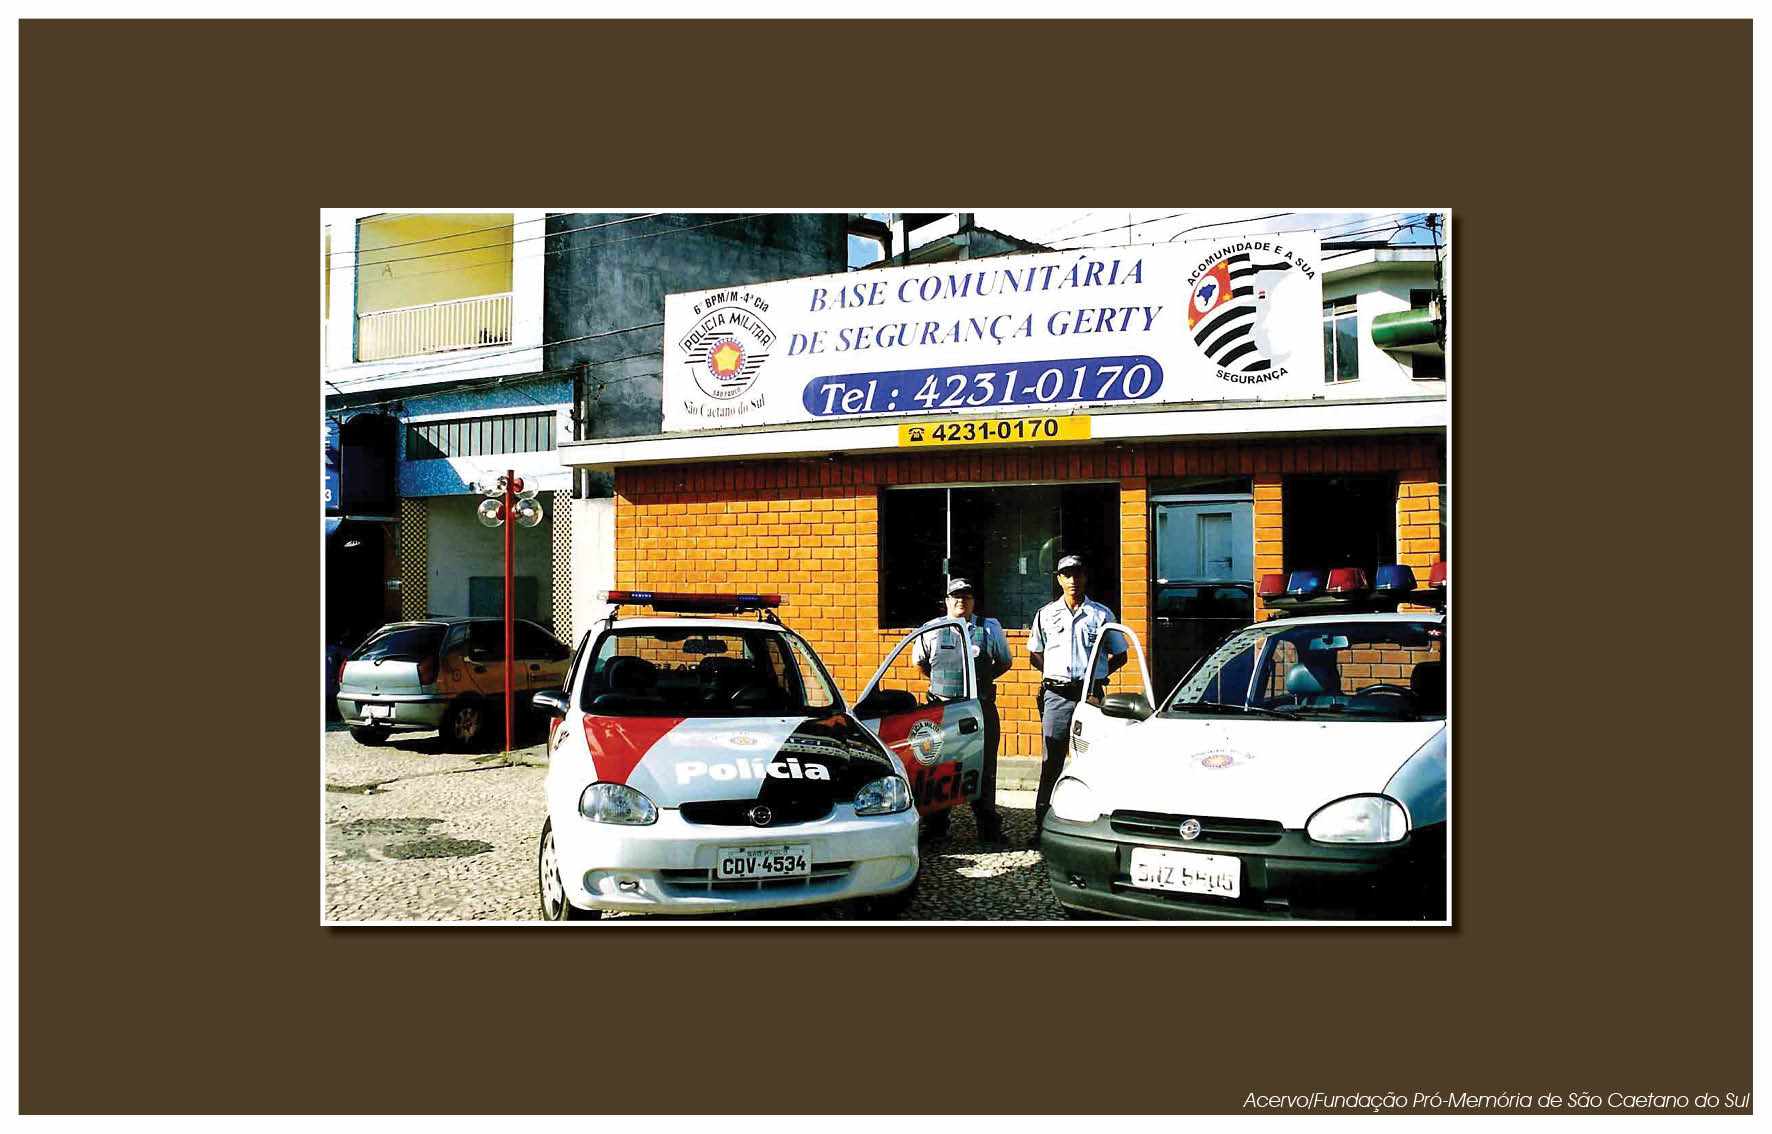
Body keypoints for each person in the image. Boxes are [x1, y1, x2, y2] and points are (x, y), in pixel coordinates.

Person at [1026, 554, 1126, 847]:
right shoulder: (1046, 614)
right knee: (1051, 761)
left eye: (1078, 574)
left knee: (1092, 761)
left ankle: (1093, 829)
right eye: (1067, 574)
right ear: (1059, 579)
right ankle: (1042, 827)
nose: (1073, 580)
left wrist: (1097, 675)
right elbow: (1035, 653)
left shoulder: (1101, 615)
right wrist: (1054, 674)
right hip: (1057, 696)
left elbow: (1120, 654)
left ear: (1085, 576)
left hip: (1090, 696)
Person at [913, 578, 1010, 844]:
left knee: (984, 768)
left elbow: (1004, 662)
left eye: (966, 596)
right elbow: (920, 664)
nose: (961, 600)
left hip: (979, 710)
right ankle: (936, 828)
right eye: (955, 596)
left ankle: (988, 827)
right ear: (947, 600)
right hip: (941, 711)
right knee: (938, 768)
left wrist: (978, 684)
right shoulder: (931, 630)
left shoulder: (989, 628)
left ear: (973, 600)